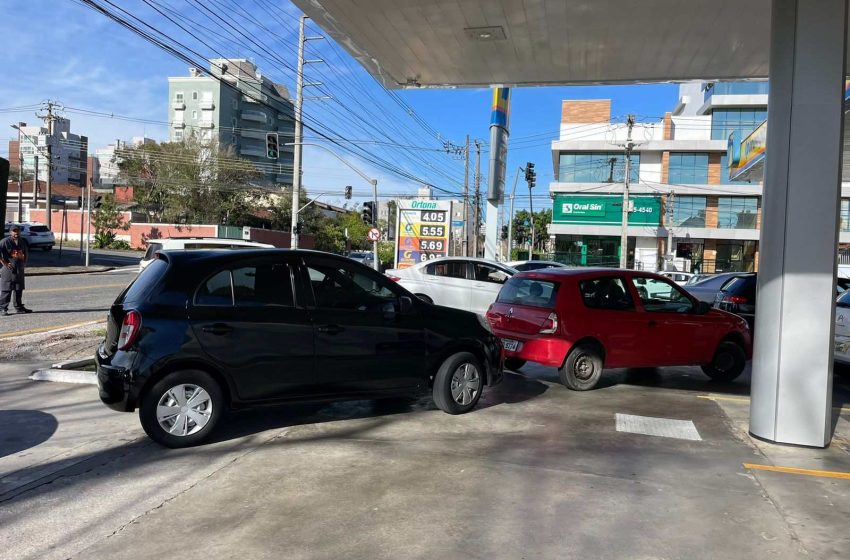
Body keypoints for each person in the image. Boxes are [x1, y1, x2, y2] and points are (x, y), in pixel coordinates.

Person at [0, 225, 33, 316]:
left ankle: (19, 307)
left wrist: (24, 263)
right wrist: (5, 264)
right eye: (14, 231)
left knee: (19, 288)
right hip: (8, 270)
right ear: (10, 232)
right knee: (6, 289)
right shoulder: (5, 242)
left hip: (19, 269)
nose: (16, 233)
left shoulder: (22, 241)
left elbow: (26, 252)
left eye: (17, 231)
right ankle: (3, 308)